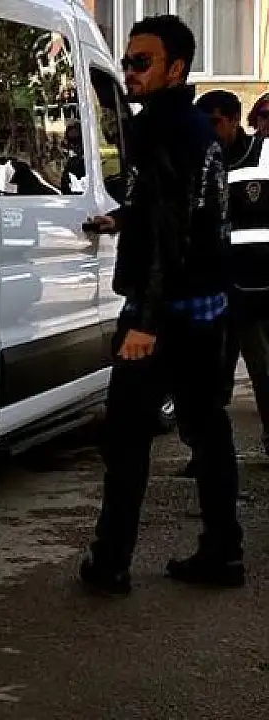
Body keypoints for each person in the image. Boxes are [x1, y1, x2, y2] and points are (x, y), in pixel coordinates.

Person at [80, 15, 244, 596]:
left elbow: (171, 231)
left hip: (165, 311)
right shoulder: (196, 128)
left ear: (176, 68)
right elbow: (175, 208)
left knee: (126, 439)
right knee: (208, 430)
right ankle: (223, 553)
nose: (129, 71)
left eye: (141, 62)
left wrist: (145, 323)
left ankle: (110, 562)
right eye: (127, 61)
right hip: (205, 307)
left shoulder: (161, 128)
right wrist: (121, 218)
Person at [183, 91, 269, 473]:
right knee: (208, 379)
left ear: (235, 120)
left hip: (258, 289)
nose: (209, 130)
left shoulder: (263, 156)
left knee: (264, 371)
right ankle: (205, 452)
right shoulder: (199, 161)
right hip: (212, 288)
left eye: (216, 122)